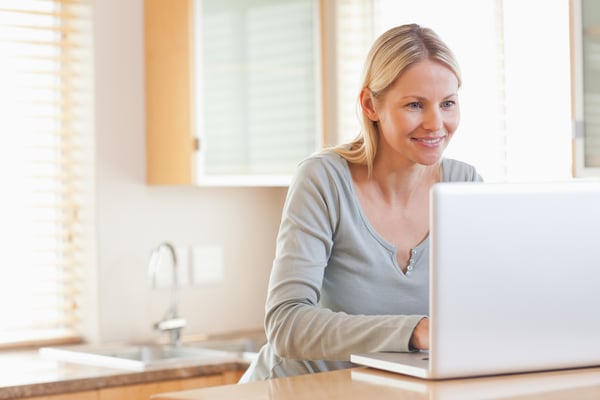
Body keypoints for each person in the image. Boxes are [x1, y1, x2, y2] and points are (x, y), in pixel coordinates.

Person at [239, 23, 482, 383]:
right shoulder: (324, 180)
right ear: (371, 105)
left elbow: (483, 309)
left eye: (447, 104)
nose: (436, 123)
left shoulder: (465, 186)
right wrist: (414, 331)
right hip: (290, 389)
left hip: (386, 389)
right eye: (415, 105)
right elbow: (286, 323)